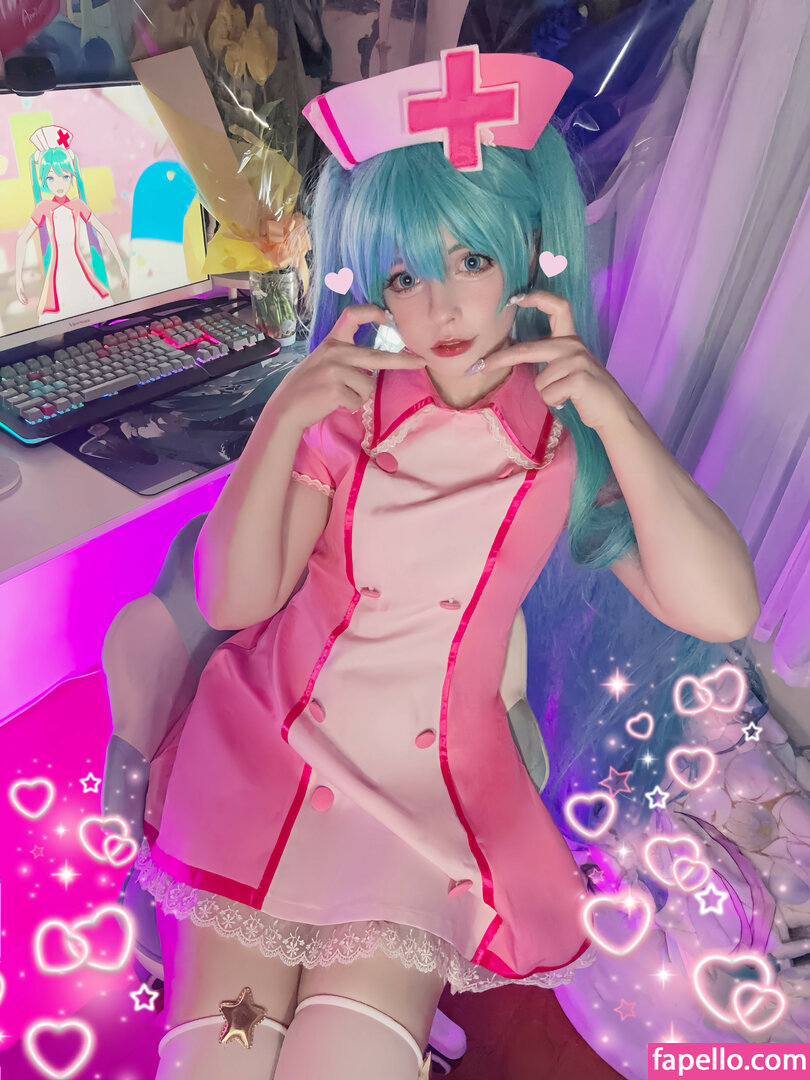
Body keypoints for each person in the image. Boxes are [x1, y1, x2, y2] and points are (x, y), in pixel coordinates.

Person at [134, 44, 761, 1080]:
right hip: (264, 755)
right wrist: (281, 417)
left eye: (471, 259)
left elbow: (725, 607)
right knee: (221, 1062)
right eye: (405, 276)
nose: (442, 310)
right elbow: (235, 597)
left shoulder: (562, 438)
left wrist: (611, 411)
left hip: (420, 802)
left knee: (344, 1064)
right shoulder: (346, 408)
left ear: (528, 245)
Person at [15, 125, 127, 325]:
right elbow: (22, 240)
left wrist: (121, 266)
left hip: (79, 269)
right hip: (58, 274)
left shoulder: (77, 205)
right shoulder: (44, 208)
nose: (59, 183)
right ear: (44, 180)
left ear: (72, 176)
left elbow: (104, 231)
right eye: (51, 177)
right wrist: (18, 280)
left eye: (65, 176)